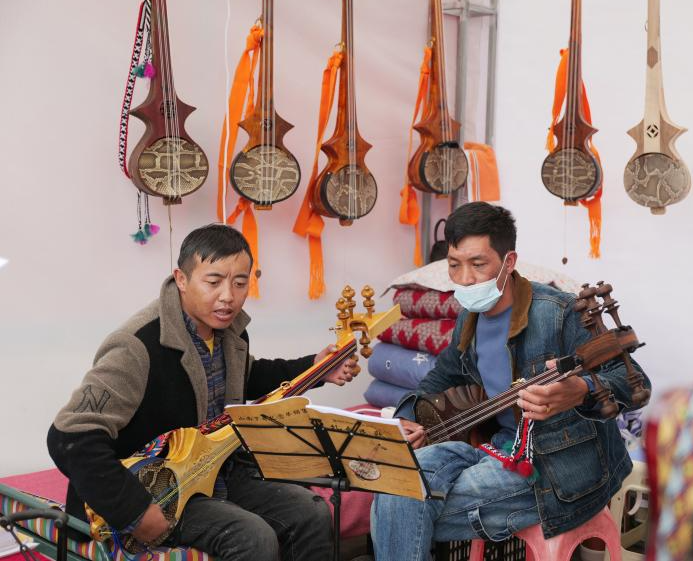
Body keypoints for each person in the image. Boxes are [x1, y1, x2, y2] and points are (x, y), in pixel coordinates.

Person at [48, 223, 354, 561]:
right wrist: (134, 510)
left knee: (310, 513)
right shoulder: (136, 345)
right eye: (213, 281)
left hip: (215, 471)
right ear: (181, 279)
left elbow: (246, 376)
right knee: (252, 537)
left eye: (240, 283)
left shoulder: (229, 332)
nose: (228, 296)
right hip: (156, 488)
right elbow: (69, 436)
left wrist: (316, 367)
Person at [371, 202, 649, 560]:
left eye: (478, 264)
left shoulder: (559, 313)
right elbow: (442, 375)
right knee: (397, 483)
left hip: (560, 464)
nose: (465, 279)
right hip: (497, 445)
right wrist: (406, 417)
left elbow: (635, 382)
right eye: (454, 265)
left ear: (509, 262)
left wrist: (580, 390)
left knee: (401, 506)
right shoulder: (470, 317)